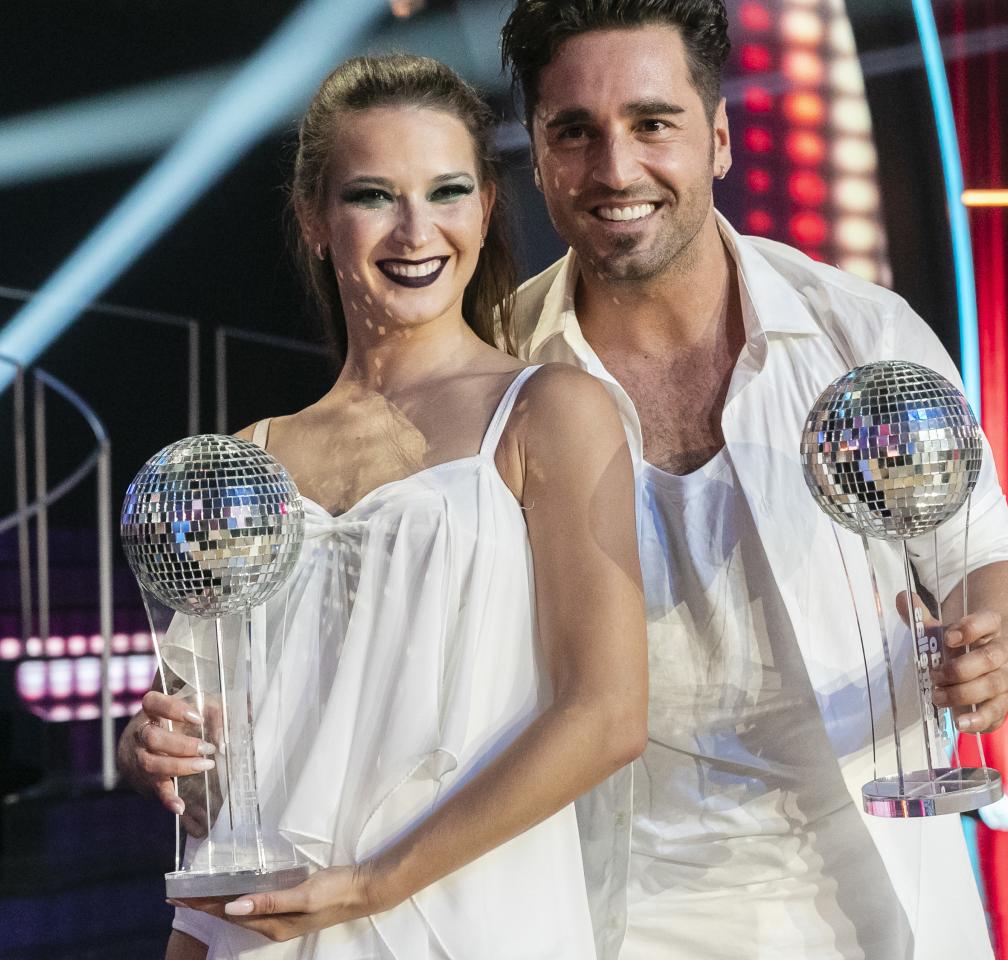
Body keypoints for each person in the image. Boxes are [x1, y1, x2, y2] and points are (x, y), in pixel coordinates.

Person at [498, 2, 1008, 957]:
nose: (616, 169)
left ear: (717, 138)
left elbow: (988, 558)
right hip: (613, 911)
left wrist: (993, 647)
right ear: (540, 158)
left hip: (875, 896)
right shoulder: (497, 371)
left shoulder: (858, 335)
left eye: (652, 123)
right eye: (575, 133)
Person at [116, 55, 648, 960]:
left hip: (472, 921)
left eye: (446, 191)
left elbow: (606, 714)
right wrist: (155, 749)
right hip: (262, 932)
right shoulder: (251, 460)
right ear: (315, 220)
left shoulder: (550, 413)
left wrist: (373, 886)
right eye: (373, 195)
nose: (415, 230)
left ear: (485, 205)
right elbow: (211, 754)